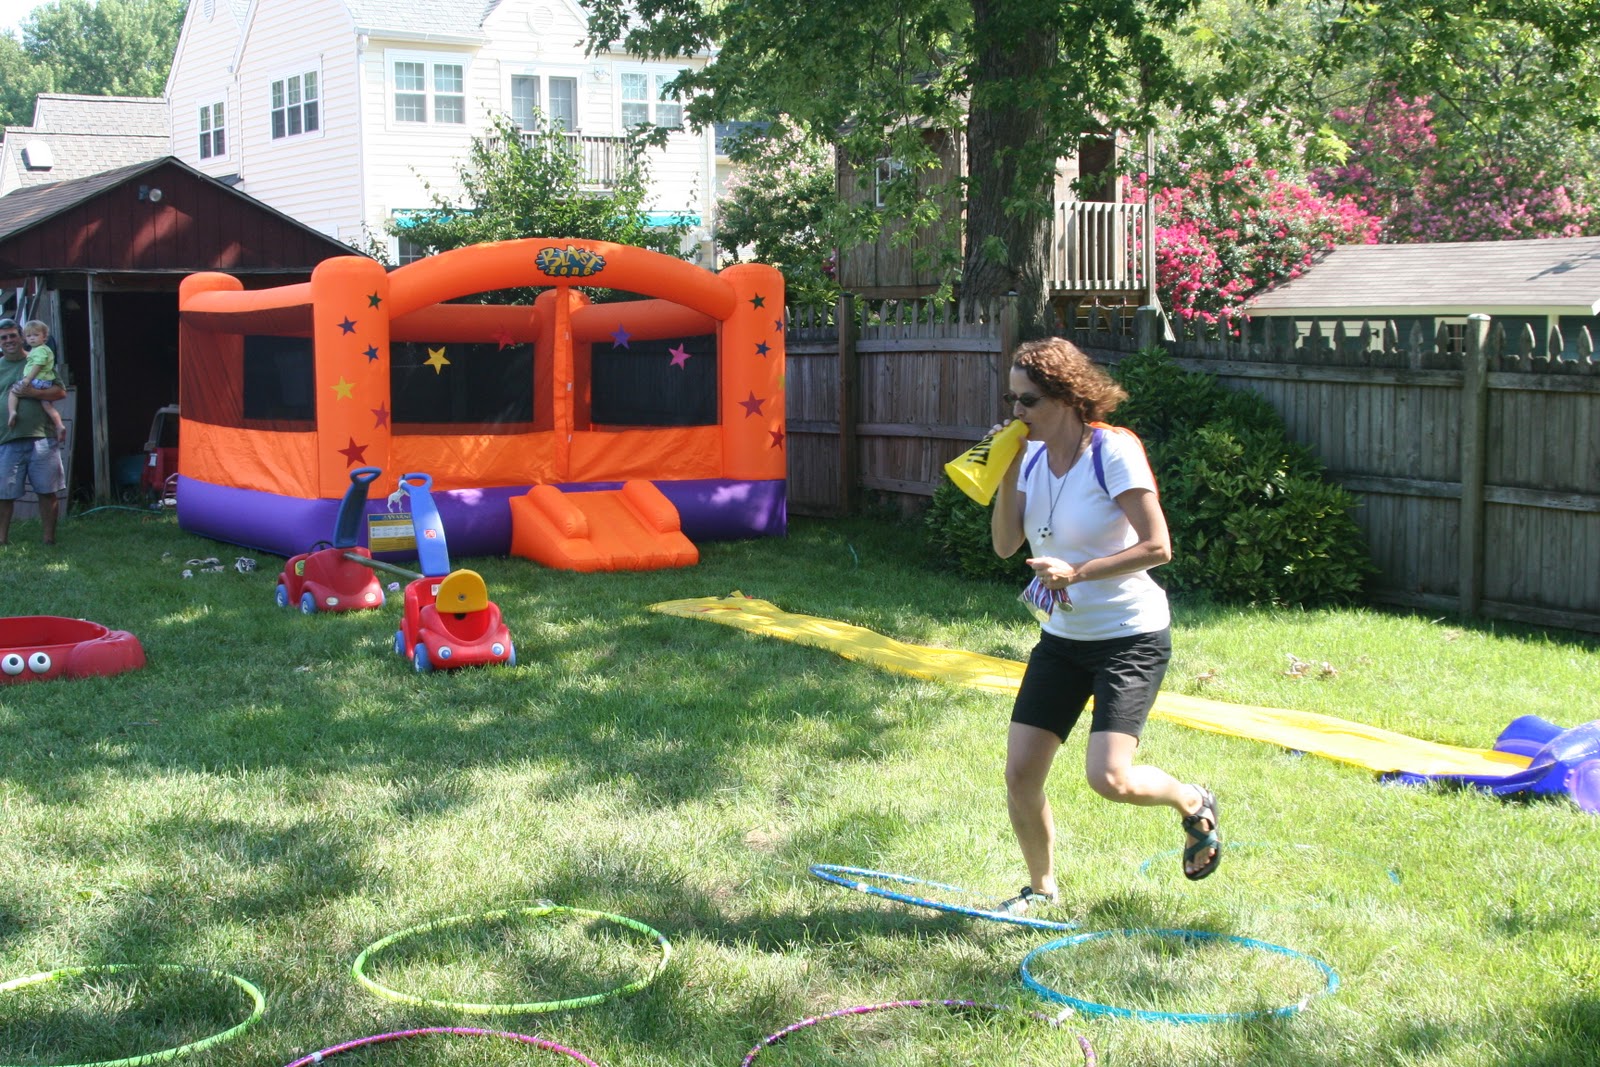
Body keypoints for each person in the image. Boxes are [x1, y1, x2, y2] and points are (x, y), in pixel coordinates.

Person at [989, 336, 1219, 908]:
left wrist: (1078, 572)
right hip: (1062, 638)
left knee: (1110, 779)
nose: (1016, 411)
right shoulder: (1031, 459)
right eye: (1012, 399)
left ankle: (1192, 801)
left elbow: (1158, 546)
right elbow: (1005, 545)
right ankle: (1042, 891)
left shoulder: (1111, 451)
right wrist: (1005, 471)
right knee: (1021, 775)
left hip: (1129, 638)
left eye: (1027, 401)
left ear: (1067, 397)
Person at [0, 317, 69, 546]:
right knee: (3, 494)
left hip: (42, 438)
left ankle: (49, 540)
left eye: (13, 335)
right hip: (6, 438)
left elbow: (60, 392)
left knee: (47, 491)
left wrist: (34, 393)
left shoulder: (38, 359)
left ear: (21, 337)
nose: (9, 340)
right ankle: (2, 540)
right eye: (3, 337)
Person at [7, 320, 66, 442]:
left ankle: (12, 412)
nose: (32, 338)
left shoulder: (40, 351)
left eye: (35, 335)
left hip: (37, 381)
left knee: (14, 391)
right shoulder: (38, 351)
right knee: (47, 405)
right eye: (29, 336)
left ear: (44, 337)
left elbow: (39, 365)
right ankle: (59, 425)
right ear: (25, 338)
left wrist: (29, 382)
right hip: (8, 439)